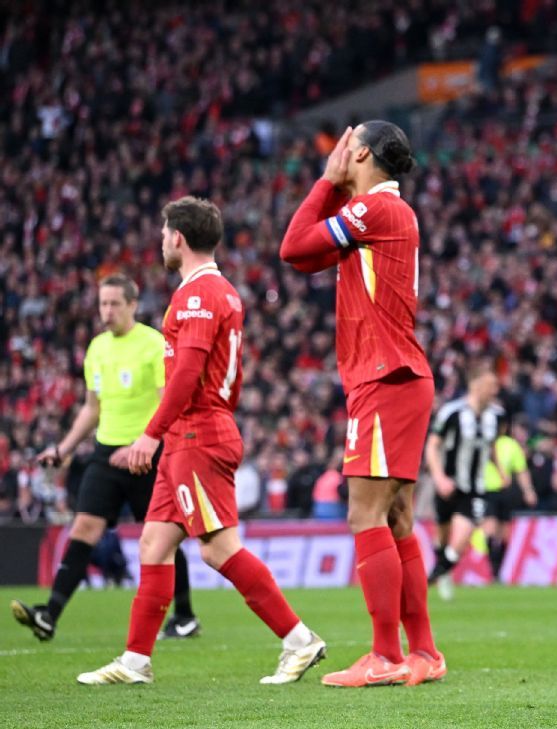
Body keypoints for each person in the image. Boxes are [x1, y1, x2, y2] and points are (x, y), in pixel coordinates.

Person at [77, 197, 325, 685]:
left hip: (197, 431)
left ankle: (299, 639)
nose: (160, 240)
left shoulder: (197, 295)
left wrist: (149, 436)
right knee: (153, 542)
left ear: (179, 238)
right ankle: (135, 661)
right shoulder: (219, 291)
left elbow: (189, 372)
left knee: (216, 548)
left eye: (164, 232)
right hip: (190, 432)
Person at [281, 122, 444, 687]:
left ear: (364, 153)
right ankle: (422, 652)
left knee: (364, 514)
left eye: (346, 148)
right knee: (396, 516)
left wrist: (326, 183)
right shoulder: (382, 214)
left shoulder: (376, 209)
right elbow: (304, 260)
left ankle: (384, 654)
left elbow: (292, 245)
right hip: (398, 375)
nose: (338, 155)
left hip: (385, 375)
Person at [12, 275, 202, 642]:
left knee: (161, 537)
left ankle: (184, 615)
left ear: (133, 304)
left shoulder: (152, 344)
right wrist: (63, 449)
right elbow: (91, 408)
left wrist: (144, 443)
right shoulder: (97, 348)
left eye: (115, 303)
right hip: (105, 451)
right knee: (83, 527)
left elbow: (168, 400)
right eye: (103, 304)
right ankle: (49, 615)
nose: (107, 311)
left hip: (147, 452)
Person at [424, 365, 509, 598]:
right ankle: (443, 571)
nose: (495, 390)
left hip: (475, 489)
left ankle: (430, 579)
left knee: (463, 536)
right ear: (475, 385)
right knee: (442, 535)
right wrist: (440, 478)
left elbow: (490, 445)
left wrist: (500, 469)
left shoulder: (497, 416)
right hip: (448, 485)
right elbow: (432, 446)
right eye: (491, 385)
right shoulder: (452, 412)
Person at [482, 422, 538, 580]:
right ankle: (493, 569)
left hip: (505, 493)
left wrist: (528, 491)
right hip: (487, 491)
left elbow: (521, 470)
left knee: (504, 534)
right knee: (490, 530)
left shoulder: (511, 445)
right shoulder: (484, 443)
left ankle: (498, 570)